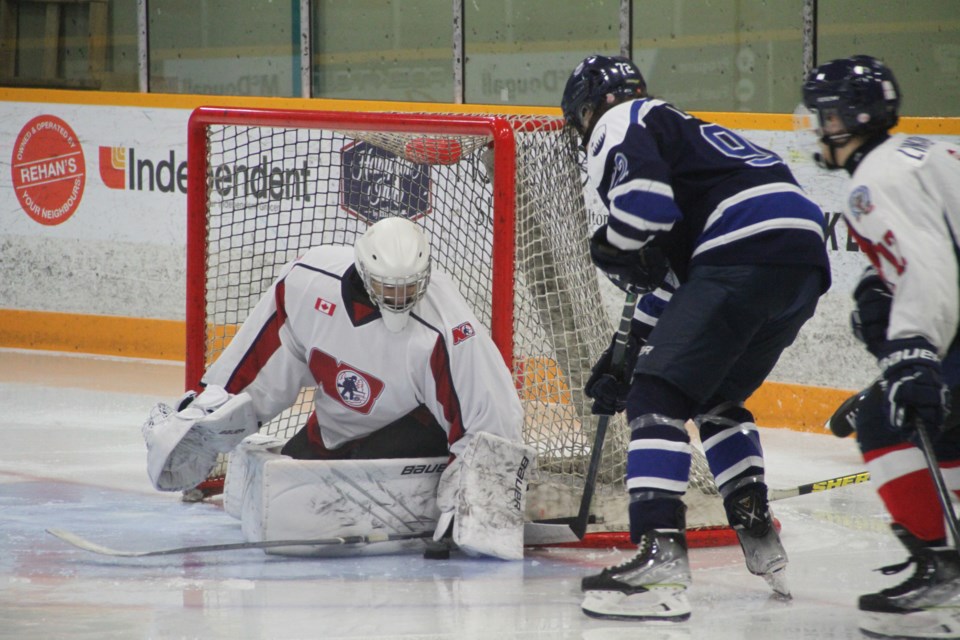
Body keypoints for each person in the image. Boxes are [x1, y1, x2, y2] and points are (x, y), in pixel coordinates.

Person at [561, 54, 831, 621]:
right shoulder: (688, 134)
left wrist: (611, 244)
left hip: (744, 250)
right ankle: (760, 537)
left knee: (656, 397)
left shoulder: (622, 119)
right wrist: (624, 355)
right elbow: (685, 291)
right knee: (712, 398)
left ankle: (659, 561)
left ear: (589, 107)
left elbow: (645, 209)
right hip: (800, 258)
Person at [140, 216, 530, 559]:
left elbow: (491, 416)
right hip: (335, 432)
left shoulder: (448, 328)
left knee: (295, 519)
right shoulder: (308, 282)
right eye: (388, 287)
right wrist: (214, 409)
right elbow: (262, 362)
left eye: (409, 287)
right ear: (362, 271)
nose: (399, 298)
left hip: (417, 433)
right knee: (274, 492)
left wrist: (479, 504)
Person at [801, 54, 960, 638]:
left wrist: (912, 353)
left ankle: (939, 561)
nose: (819, 127)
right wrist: (875, 287)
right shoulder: (923, 152)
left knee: (884, 419)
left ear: (851, 117)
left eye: (825, 115)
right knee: (947, 426)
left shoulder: (873, 182)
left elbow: (928, 269)